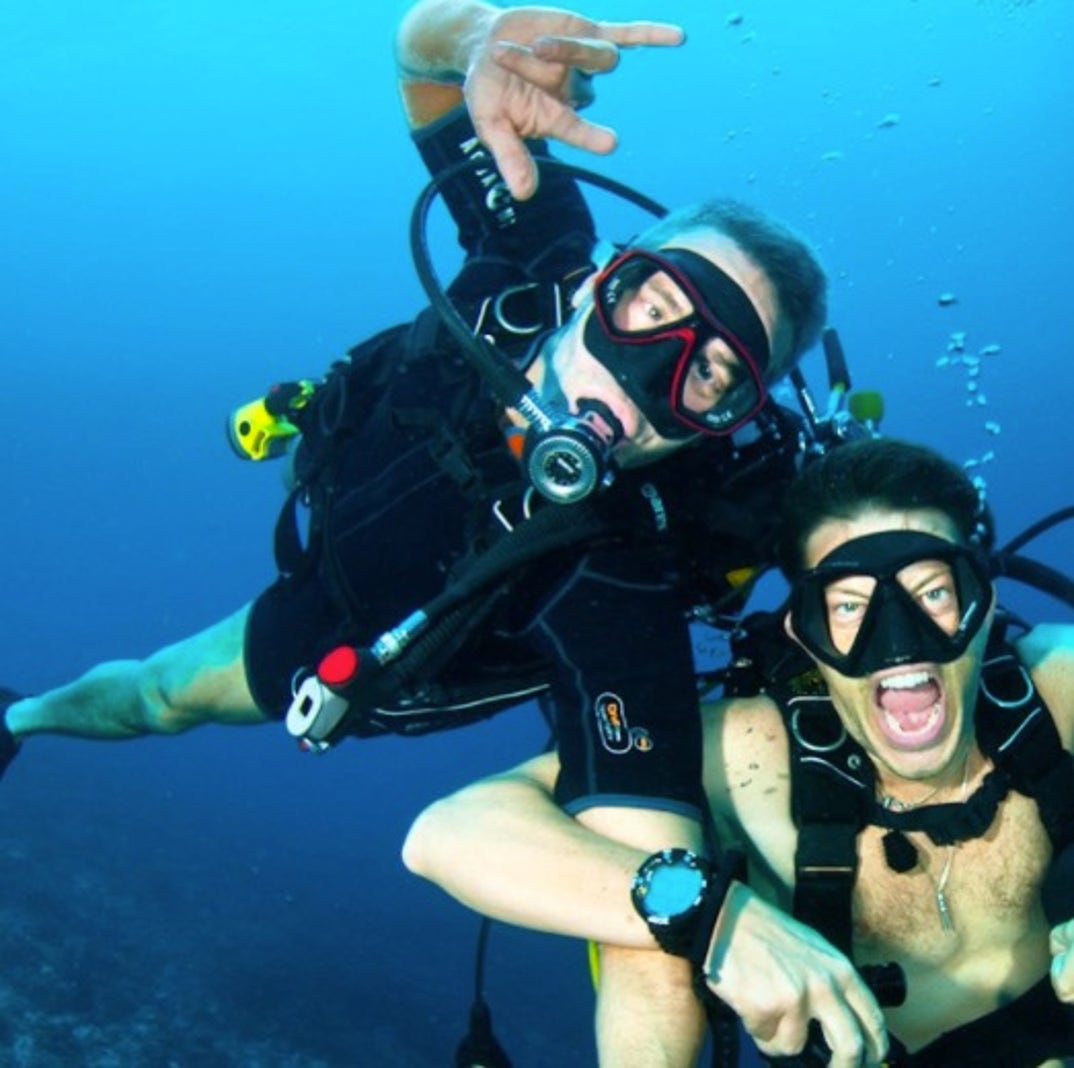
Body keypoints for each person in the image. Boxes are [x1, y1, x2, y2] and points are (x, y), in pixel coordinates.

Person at [2, 2, 831, 1061]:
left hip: (376, 657)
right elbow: (422, 62)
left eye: (710, 374)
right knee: (157, 693)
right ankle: (19, 720)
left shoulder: (616, 584)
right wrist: (465, 39)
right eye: (652, 305)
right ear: (599, 278)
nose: (649, 370)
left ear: (723, 426)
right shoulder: (529, 249)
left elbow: (648, 928)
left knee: (173, 694)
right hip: (328, 564)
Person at [403, 437, 1074, 1066]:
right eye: (848, 607)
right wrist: (713, 915)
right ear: (802, 632)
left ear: (982, 603)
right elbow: (446, 833)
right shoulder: (752, 756)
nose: (899, 643)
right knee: (643, 929)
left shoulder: (1058, 687)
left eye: (932, 593)